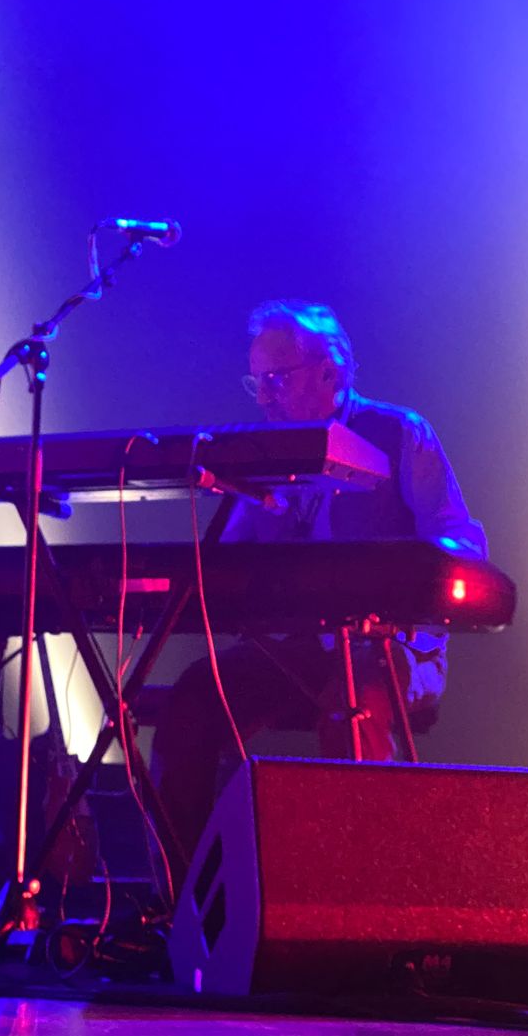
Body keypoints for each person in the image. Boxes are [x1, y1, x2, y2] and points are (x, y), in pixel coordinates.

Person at [150, 300, 487, 847]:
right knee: (193, 699)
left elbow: (461, 542)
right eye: (257, 382)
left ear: (331, 372)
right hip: (296, 651)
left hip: (395, 649)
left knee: (352, 709)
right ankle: (182, 887)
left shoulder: (399, 432)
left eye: (278, 379)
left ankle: (366, 877)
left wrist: (410, 602)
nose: (265, 397)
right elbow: (226, 560)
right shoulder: (266, 449)